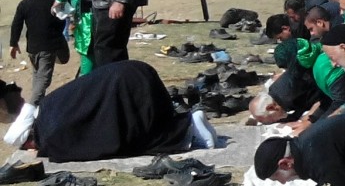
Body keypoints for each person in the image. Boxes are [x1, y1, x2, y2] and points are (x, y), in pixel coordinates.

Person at [32, 60, 215, 162]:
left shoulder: (51, 133)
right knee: (152, 121)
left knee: (141, 139)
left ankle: (189, 127)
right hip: (135, 70)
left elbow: (82, 143)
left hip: (125, 84)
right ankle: (190, 120)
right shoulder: (49, 104)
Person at [9, 0, 69, 106]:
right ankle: (31, 107)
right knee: (43, 79)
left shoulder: (24, 4)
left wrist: (14, 43)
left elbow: (16, 24)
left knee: (37, 75)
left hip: (32, 48)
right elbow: (60, 23)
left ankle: (38, 105)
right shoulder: (52, 3)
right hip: (48, 47)